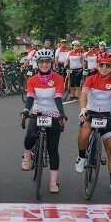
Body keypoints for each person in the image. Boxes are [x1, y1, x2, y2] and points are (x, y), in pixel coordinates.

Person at [76, 52, 111, 194]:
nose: (104, 67)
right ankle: (81, 156)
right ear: (97, 66)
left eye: (107, 65)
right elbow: (83, 94)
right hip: (90, 112)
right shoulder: (90, 79)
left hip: (105, 115)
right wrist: (83, 110)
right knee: (84, 134)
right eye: (101, 65)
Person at [20, 49, 67, 193]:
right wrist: (26, 111)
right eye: (42, 62)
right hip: (37, 112)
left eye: (47, 62)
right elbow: (30, 98)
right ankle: (27, 155)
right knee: (29, 137)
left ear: (51, 63)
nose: (45, 64)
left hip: (53, 113)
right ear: (37, 63)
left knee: (52, 149)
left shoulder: (58, 78)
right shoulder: (32, 80)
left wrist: (61, 114)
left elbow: (58, 97)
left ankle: (53, 182)